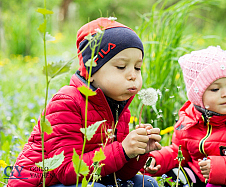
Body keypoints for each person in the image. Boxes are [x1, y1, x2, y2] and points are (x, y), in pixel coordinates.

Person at [7, 17, 161, 187]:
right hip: (46, 182)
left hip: (90, 179)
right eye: (121, 67)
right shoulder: (67, 102)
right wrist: (122, 150)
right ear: (91, 71)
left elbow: (120, 174)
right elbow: (66, 171)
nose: (133, 75)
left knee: (146, 183)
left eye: (137, 68)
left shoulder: (120, 108)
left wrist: (137, 152)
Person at [146, 46, 226, 187]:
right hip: (200, 177)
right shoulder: (188, 120)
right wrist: (156, 160)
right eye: (215, 89)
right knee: (174, 176)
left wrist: (218, 169)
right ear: (198, 96)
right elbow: (178, 152)